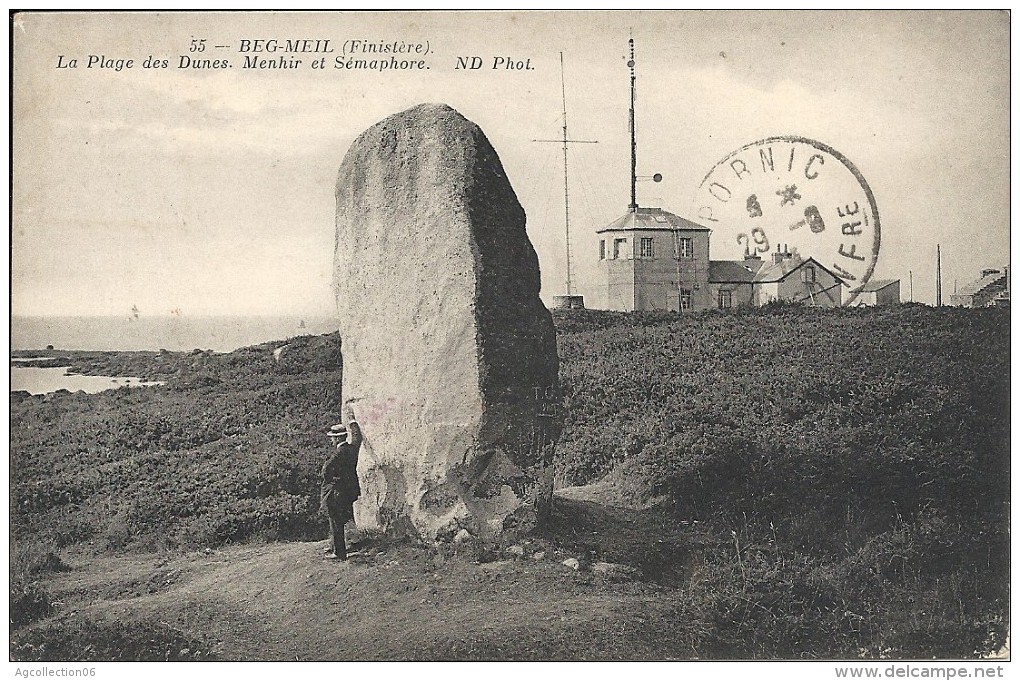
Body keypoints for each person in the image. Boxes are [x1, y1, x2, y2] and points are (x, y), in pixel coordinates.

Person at [321, 413, 362, 560]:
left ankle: (339, 552)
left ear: (338, 438)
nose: (331, 440)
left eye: (332, 437)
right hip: (351, 490)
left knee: (336, 521)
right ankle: (349, 543)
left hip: (339, 491)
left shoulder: (339, 453)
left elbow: (326, 469)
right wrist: (353, 423)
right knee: (346, 516)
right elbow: (358, 438)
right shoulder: (352, 449)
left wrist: (332, 481)